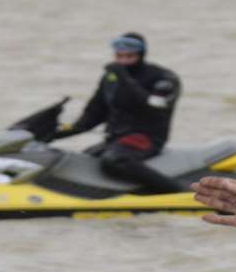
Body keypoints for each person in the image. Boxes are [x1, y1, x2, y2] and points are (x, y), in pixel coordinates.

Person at [50, 31, 184, 193]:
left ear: (141, 55)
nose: (123, 61)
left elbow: (154, 106)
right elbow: (91, 117)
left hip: (146, 138)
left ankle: (180, 192)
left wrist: (123, 77)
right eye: (119, 56)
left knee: (114, 160)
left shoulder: (163, 78)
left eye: (129, 56)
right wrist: (53, 134)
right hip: (116, 139)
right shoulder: (110, 78)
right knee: (82, 159)